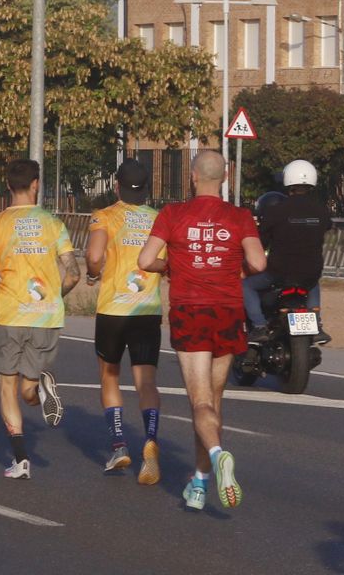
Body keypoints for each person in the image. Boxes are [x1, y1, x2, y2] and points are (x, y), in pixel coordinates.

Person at [138, 150, 265, 512]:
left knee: (200, 401)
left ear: (193, 176)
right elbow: (258, 262)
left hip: (190, 311)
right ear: (224, 178)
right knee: (215, 400)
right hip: (227, 311)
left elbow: (145, 260)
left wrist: (171, 266)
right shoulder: (239, 216)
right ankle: (199, 481)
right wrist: (233, 269)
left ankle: (217, 454)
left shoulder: (173, 214)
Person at [0, 158, 80, 479]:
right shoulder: (54, 224)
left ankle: (21, 459)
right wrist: (55, 297)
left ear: (7, 186)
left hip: (9, 316)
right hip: (47, 317)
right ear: (36, 184)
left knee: (7, 388)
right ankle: (41, 386)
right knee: (28, 392)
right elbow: (73, 273)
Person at [85, 159, 164, 483]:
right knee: (146, 382)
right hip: (147, 310)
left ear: (116, 186)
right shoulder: (159, 220)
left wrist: (93, 274)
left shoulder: (104, 216)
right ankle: (151, 440)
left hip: (114, 311)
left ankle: (119, 444)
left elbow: (93, 257)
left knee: (110, 377)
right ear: (146, 189)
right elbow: (163, 262)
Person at [244, 160, 332, 346]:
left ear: (287, 181)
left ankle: (259, 326)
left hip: (278, 273)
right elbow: (327, 227)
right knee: (312, 282)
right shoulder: (321, 211)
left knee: (246, 286)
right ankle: (316, 322)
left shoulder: (276, 211)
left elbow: (262, 241)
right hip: (311, 271)